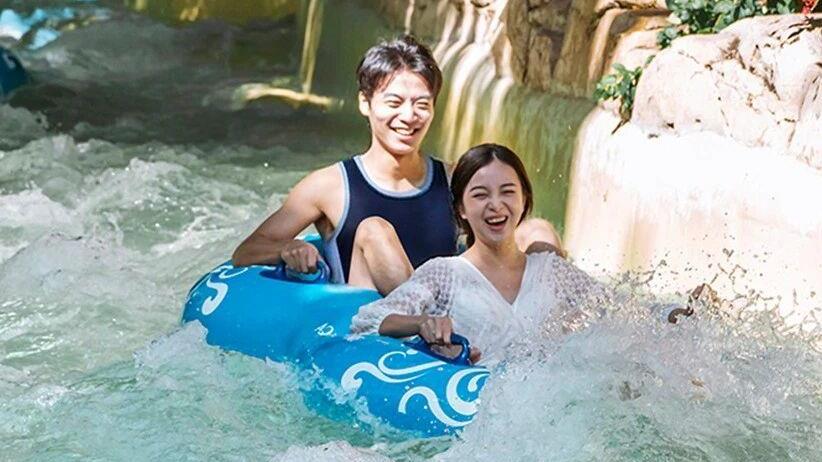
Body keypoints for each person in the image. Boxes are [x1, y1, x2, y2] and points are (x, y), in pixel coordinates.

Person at [232, 36, 562, 295]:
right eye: (394, 102)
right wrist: (289, 247)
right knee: (375, 231)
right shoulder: (329, 186)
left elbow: (495, 241)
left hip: (457, 318)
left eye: (421, 104)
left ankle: (552, 331)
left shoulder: (452, 178)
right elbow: (247, 250)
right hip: (377, 331)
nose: (408, 116)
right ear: (365, 103)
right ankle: (427, 323)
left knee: (538, 229)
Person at [350, 144, 697, 365]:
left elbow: (620, 311)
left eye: (507, 192)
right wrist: (421, 323)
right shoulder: (444, 273)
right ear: (462, 209)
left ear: (524, 200)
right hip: (473, 417)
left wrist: (679, 312)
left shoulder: (551, 271)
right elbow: (368, 319)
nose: (496, 205)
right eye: (480, 195)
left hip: (544, 414)